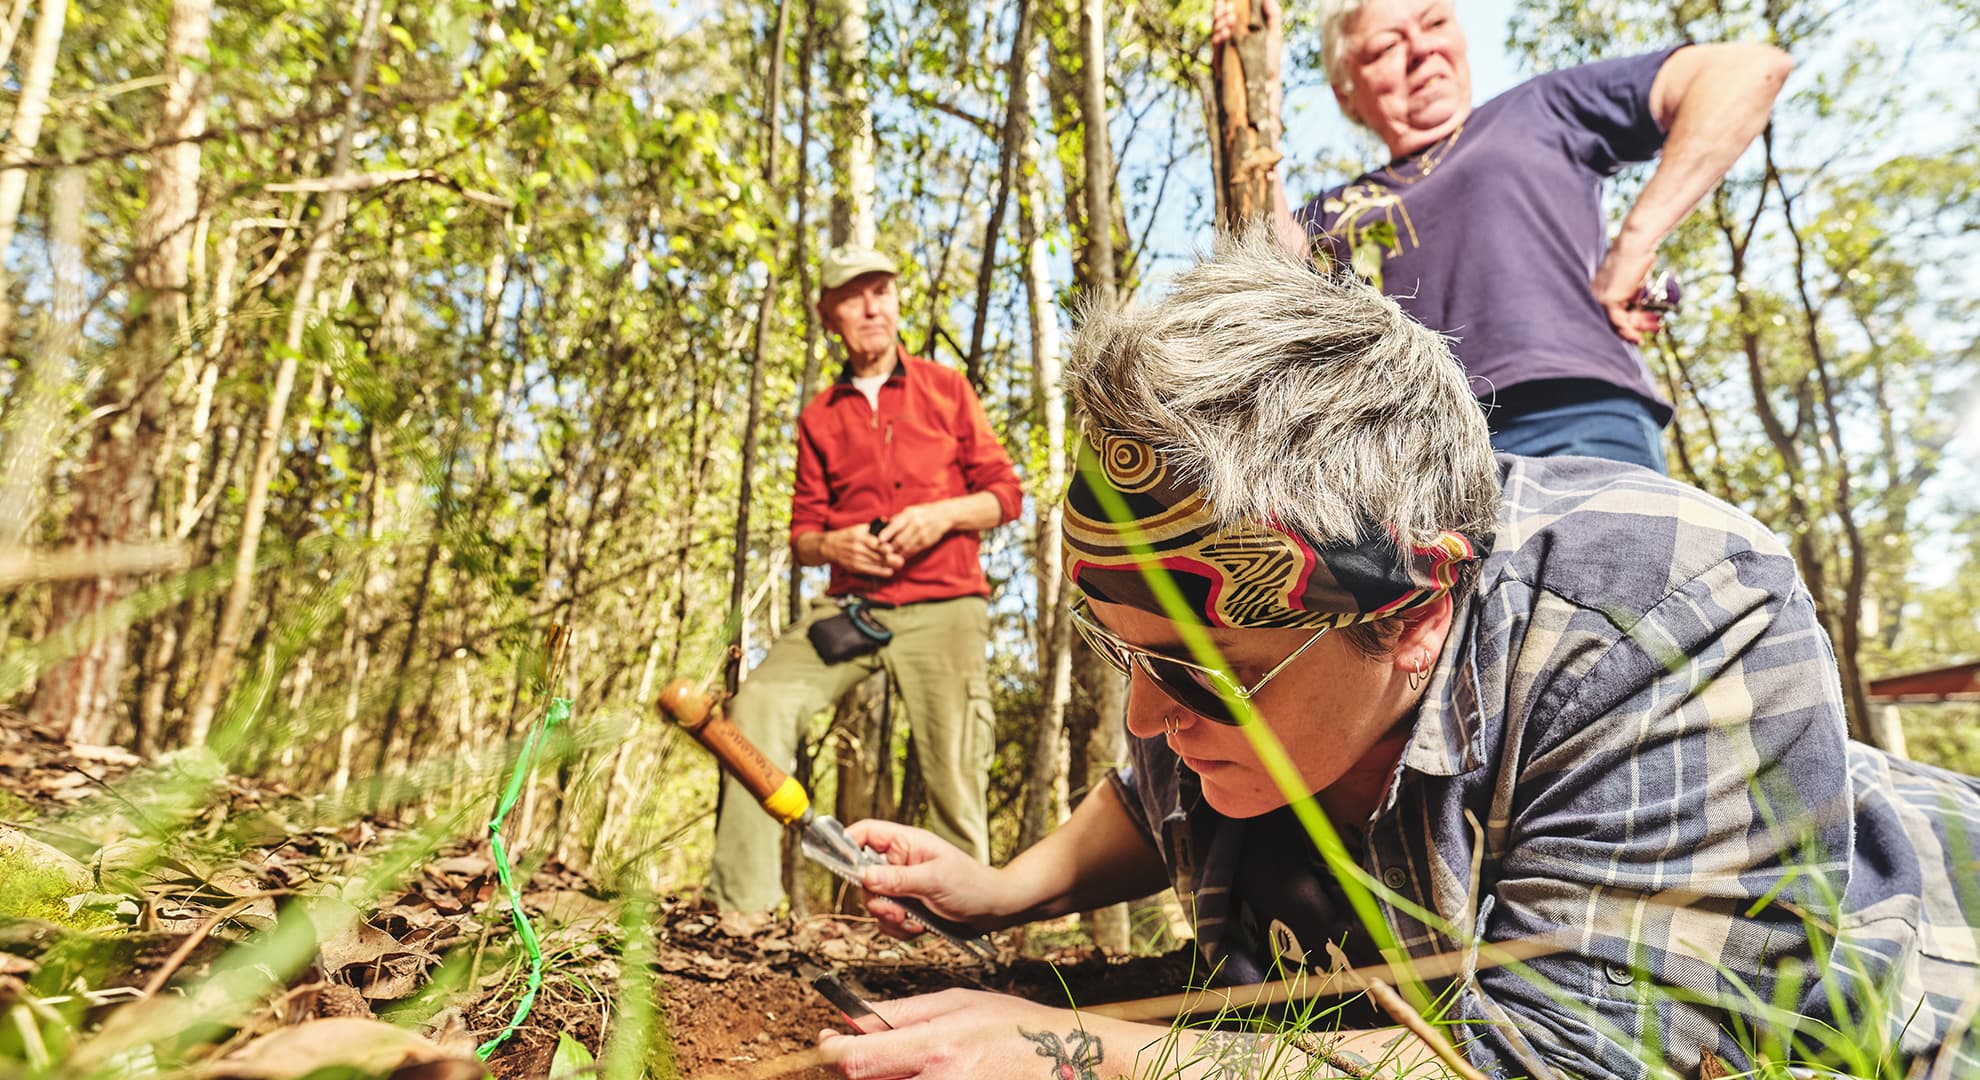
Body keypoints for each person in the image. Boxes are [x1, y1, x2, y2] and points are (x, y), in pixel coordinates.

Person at [814, 229, 1980, 1079]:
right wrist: (1009, 889)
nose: (1145, 715)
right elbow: (1154, 780)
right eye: (1124, 655)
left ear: (1416, 613)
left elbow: (1560, 1061)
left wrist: (1083, 1052)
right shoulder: (1265, 655)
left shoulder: (1667, 612)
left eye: (1194, 672)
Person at [1210, 0, 1792, 473]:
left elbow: (1745, 71)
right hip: (1409, 462)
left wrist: (1635, 241)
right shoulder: (1329, 211)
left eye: (1436, 21)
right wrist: (1249, 77)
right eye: (1386, 46)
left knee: (1610, 610)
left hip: (1571, 415)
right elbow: (1260, 274)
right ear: (1345, 91)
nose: (1421, 50)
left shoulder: (1537, 109)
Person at [705, 247, 1022, 913]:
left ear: (898, 300)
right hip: (850, 607)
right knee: (757, 704)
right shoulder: (820, 415)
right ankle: (743, 916)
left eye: (882, 290)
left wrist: (940, 517)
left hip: (945, 603)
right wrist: (833, 542)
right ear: (831, 317)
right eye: (854, 297)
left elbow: (1004, 496)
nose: (873, 306)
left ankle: (966, 926)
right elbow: (801, 536)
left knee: (955, 764)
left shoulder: (945, 388)